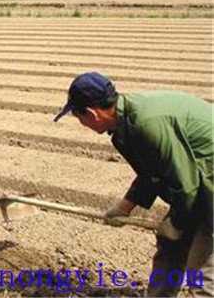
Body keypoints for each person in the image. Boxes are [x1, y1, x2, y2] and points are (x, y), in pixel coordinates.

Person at [54, 72, 212, 297]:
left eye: (79, 117)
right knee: (169, 248)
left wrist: (175, 224)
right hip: (198, 181)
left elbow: (187, 187)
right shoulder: (125, 125)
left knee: (203, 275)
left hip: (207, 184)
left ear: (91, 113)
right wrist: (125, 207)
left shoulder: (146, 124)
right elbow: (153, 174)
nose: (81, 124)